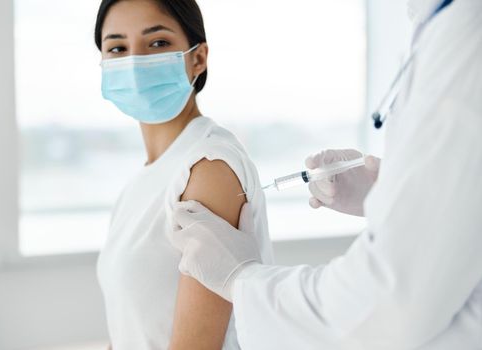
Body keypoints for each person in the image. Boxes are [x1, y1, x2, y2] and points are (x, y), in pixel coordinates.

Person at [169, 0, 482, 348]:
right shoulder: (443, 23)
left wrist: (242, 279)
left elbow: (391, 305)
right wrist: (389, 187)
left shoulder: (465, 34)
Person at [94, 0, 273, 349]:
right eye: (117, 48)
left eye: (157, 43)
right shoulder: (140, 183)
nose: (135, 62)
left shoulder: (208, 167)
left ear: (198, 58)